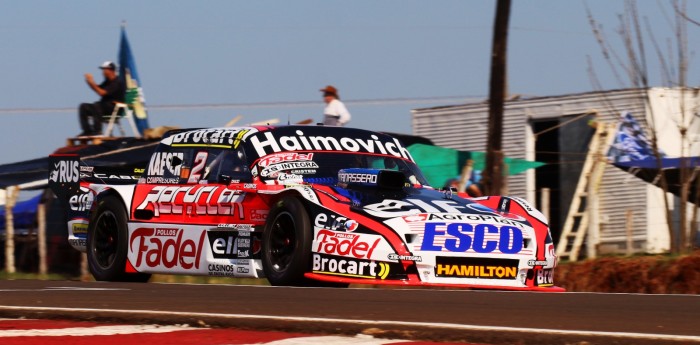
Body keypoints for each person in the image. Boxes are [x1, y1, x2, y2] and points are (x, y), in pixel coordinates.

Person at [77, 61, 125, 136]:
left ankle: (97, 131)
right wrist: (89, 82)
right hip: (103, 107)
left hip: (114, 108)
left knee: (97, 105)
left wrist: (92, 82)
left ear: (111, 70)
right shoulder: (107, 82)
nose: (103, 72)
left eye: (104, 70)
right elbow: (98, 89)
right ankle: (87, 131)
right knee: (83, 106)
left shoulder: (117, 82)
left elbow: (102, 93)